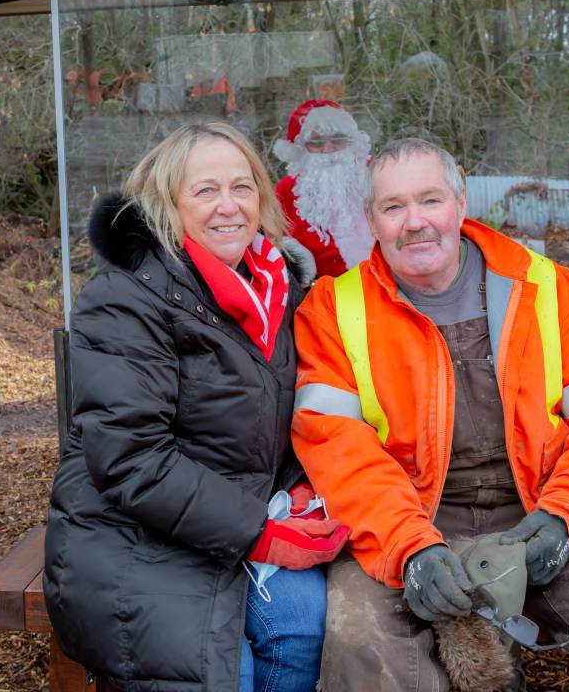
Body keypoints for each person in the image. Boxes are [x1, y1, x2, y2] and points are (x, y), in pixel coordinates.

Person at [290, 138, 569, 691]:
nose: (415, 223)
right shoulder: (334, 311)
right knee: (362, 646)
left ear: (459, 203)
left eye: (430, 201)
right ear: (371, 221)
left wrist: (565, 517)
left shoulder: (553, 292)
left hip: (543, 512)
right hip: (407, 518)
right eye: (393, 207)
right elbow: (338, 451)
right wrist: (410, 550)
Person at [45, 122, 347, 692]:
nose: (228, 207)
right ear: (167, 203)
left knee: (305, 626)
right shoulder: (126, 298)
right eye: (205, 191)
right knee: (221, 671)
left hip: (243, 509)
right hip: (135, 526)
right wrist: (257, 530)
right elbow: (131, 459)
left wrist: (304, 482)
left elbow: (290, 416)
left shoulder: (282, 291)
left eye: (243, 188)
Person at [273, 99, 375, 278]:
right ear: (302, 148)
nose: (328, 149)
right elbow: (270, 239)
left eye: (337, 139)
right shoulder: (287, 190)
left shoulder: (375, 174)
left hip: (383, 279)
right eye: (317, 142)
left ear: (350, 141)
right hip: (320, 291)